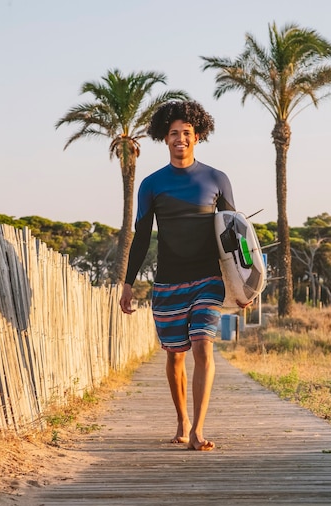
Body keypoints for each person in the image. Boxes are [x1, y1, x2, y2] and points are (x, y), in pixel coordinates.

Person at [120, 100, 242, 451]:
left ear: (197, 136)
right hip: (168, 282)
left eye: (186, 133)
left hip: (208, 278)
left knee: (203, 346)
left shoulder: (217, 179)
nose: (180, 139)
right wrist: (128, 283)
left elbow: (234, 234)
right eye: (174, 133)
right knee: (175, 355)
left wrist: (244, 285)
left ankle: (198, 430)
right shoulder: (151, 184)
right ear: (165, 138)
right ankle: (181, 419)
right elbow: (141, 236)